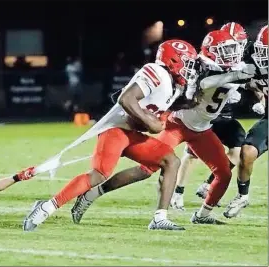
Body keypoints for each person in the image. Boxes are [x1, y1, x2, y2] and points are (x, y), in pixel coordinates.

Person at [70, 30, 256, 225]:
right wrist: (235, 77)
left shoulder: (233, 66)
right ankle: (92, 194)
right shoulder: (201, 65)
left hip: (202, 129)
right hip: (177, 124)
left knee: (224, 172)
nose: (232, 54)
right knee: (146, 169)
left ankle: (202, 215)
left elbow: (248, 77)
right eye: (226, 50)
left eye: (232, 49)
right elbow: (206, 81)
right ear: (211, 52)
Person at [22, 39, 199, 231]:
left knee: (171, 162)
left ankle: (159, 218)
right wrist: (151, 123)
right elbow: (126, 99)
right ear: (172, 60)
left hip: (131, 134)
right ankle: (46, 207)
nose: (188, 68)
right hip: (115, 130)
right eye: (186, 62)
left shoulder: (174, 85)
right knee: (98, 175)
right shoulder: (157, 72)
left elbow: (159, 104)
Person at [171, 22, 249, 210]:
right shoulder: (204, 64)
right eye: (233, 45)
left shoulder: (240, 59)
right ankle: (177, 193)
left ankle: (208, 185)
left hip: (224, 115)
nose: (236, 50)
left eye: (238, 45)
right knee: (190, 155)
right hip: (201, 117)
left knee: (240, 152)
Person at [223, 25, 268, 218]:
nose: (262, 55)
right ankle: (243, 196)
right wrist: (260, 95)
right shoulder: (255, 61)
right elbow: (249, 80)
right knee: (247, 152)